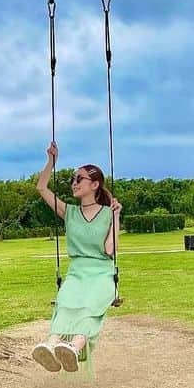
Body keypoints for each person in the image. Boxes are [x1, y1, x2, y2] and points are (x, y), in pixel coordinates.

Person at [32, 141, 121, 373]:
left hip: (102, 271)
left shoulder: (107, 212)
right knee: (65, 303)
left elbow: (110, 251)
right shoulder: (69, 212)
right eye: (73, 179)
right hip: (77, 271)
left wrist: (116, 218)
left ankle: (73, 347)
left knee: (91, 306)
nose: (74, 183)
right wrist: (51, 162)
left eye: (78, 179)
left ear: (94, 184)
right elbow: (42, 188)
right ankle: (50, 347)